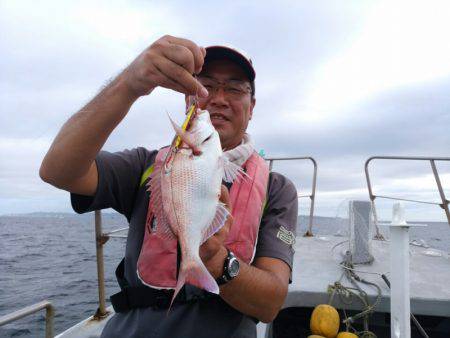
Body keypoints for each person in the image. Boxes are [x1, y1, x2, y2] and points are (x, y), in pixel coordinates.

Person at [40, 35, 298, 338]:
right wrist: (130, 83)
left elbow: (270, 304)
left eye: (234, 88)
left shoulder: (276, 188)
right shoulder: (147, 165)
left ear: (251, 106)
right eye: (206, 86)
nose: (218, 98)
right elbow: (57, 170)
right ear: (188, 98)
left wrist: (215, 259)